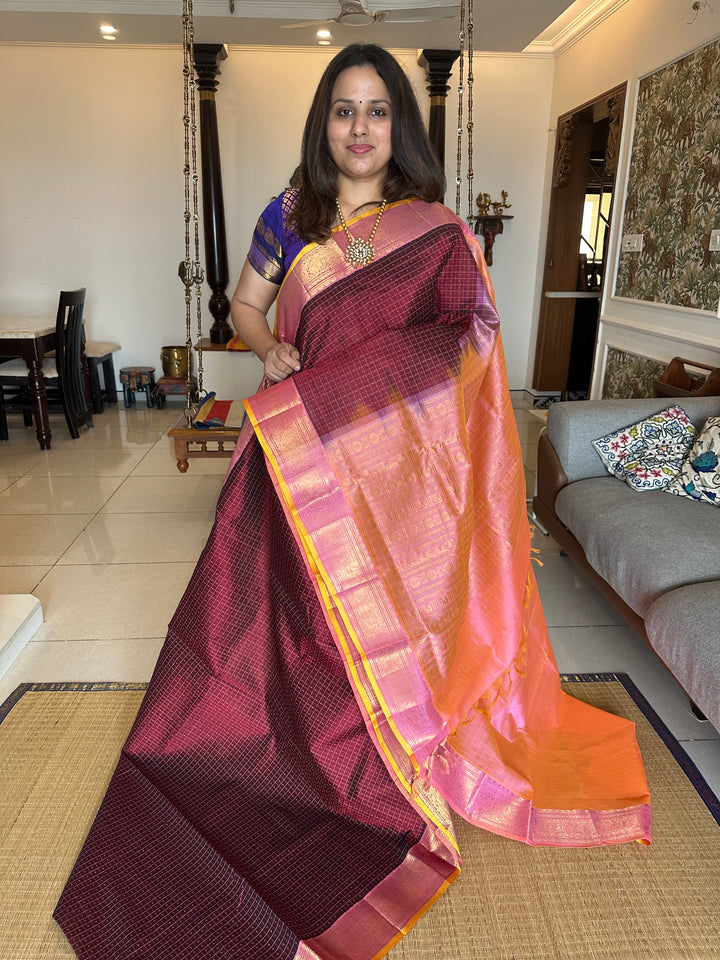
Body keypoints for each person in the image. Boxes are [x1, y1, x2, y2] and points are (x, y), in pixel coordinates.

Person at [54, 43, 650, 960]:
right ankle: (308, 752)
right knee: (292, 621)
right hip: (302, 453)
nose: (360, 128)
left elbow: (463, 338)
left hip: (397, 472)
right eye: (344, 110)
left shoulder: (432, 229)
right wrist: (270, 351)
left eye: (377, 111)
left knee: (393, 616)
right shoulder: (288, 214)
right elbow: (246, 305)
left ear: (398, 127)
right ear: (322, 122)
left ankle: (394, 749)